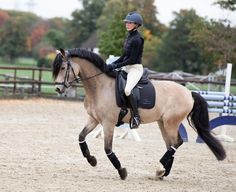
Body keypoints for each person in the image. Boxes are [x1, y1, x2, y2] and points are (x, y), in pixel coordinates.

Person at [106, 12, 144, 129]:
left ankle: (136, 117)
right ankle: (122, 113)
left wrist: (117, 65)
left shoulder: (137, 39)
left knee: (127, 90)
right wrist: (113, 64)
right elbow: (124, 56)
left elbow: (132, 59)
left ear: (136, 25)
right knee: (115, 85)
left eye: (130, 23)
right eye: (126, 22)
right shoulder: (129, 37)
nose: (127, 24)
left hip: (135, 68)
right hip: (126, 67)